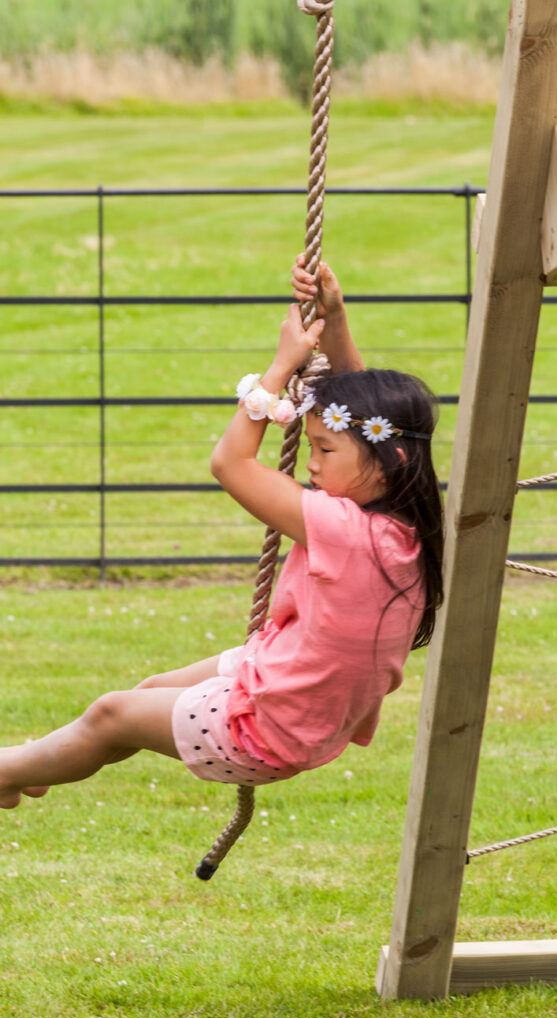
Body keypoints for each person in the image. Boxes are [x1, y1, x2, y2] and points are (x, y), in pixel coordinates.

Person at [0, 257, 443, 810]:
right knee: (147, 694)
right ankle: (39, 762)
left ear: (387, 459)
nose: (311, 466)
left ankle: (8, 769)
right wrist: (335, 318)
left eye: (324, 451)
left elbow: (230, 464)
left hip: (267, 728)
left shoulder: (345, 528)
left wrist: (279, 369)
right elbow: (356, 411)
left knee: (111, 715)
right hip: (292, 696)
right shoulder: (407, 521)